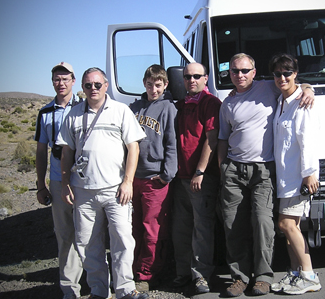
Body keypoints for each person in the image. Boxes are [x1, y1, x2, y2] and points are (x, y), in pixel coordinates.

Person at [217, 53, 314, 297]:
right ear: (229, 73)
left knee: (263, 223)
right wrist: (222, 168)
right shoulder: (227, 103)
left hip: (263, 170)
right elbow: (222, 138)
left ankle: (262, 277)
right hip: (234, 171)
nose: (239, 75)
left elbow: (291, 81)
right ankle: (239, 278)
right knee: (233, 226)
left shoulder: (268, 87)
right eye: (234, 71)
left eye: (245, 70)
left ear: (254, 71)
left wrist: (309, 88)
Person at [56, 67, 148, 299]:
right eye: (88, 85)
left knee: (122, 240)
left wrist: (127, 182)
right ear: (83, 88)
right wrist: (66, 182)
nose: (93, 89)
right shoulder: (74, 115)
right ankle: (98, 290)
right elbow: (66, 151)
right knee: (87, 243)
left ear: (106, 85)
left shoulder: (120, 111)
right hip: (83, 191)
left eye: (98, 84)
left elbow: (133, 147)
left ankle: (125, 289)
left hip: (116, 190)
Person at [268, 53, 321, 295]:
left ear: (295, 74)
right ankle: (295, 273)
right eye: (278, 73)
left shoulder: (302, 102)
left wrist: (309, 174)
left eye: (287, 73)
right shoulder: (281, 100)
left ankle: (309, 275)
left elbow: (307, 140)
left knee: (286, 224)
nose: (282, 77)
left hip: (298, 177)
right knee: (291, 229)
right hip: (284, 177)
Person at [172, 62, 222, 295]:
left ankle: (201, 276)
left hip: (200, 178)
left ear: (206, 78)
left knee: (202, 228)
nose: (191, 80)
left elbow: (211, 139)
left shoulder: (210, 103)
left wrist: (200, 171)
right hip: (180, 177)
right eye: (187, 77)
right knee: (181, 228)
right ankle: (183, 273)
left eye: (196, 76)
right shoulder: (180, 105)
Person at [35, 62, 83, 299]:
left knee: (91, 233)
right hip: (57, 179)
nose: (61, 83)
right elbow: (41, 149)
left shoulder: (84, 107)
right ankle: (70, 289)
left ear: (73, 80)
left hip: (84, 180)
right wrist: (40, 184)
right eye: (57, 79)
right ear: (52, 81)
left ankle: (98, 284)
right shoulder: (45, 113)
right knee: (65, 234)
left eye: (65, 79)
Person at [129, 65, 177, 290]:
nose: (154, 89)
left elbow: (172, 143)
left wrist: (167, 174)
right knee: (134, 228)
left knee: (153, 229)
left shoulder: (168, 108)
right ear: (144, 84)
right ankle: (133, 269)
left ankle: (147, 275)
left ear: (165, 85)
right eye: (150, 85)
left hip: (154, 179)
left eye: (158, 85)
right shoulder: (135, 108)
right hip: (133, 178)